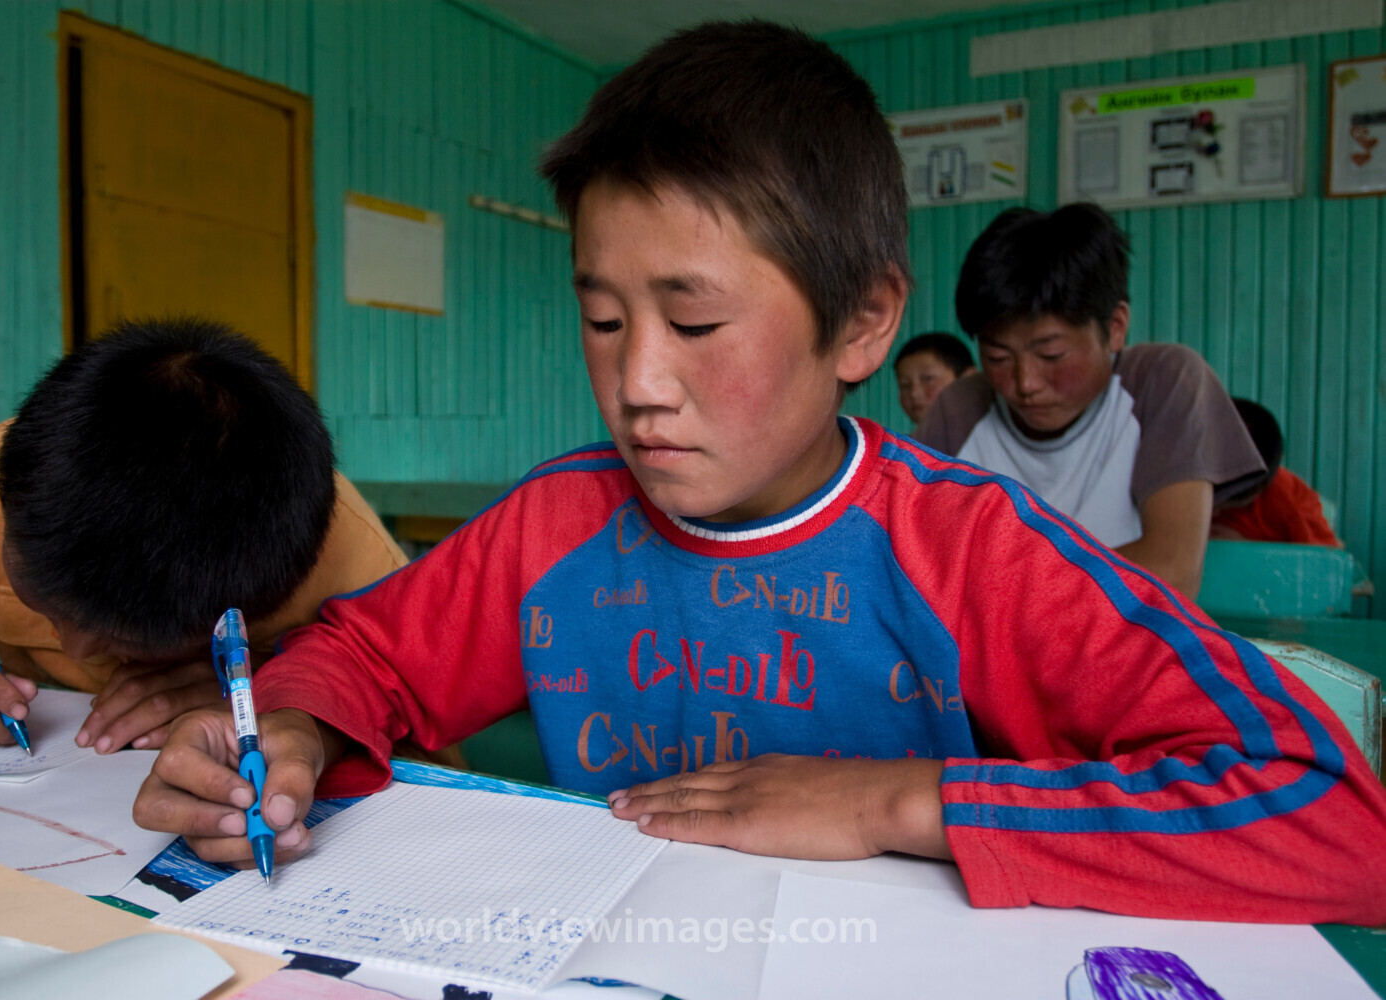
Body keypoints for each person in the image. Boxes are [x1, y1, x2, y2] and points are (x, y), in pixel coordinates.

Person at [134, 22, 1386, 925]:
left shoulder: (980, 554)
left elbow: (1327, 813)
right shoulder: (556, 525)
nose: (637, 383)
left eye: (694, 321)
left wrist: (899, 802)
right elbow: (365, 655)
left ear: (861, 325)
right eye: (606, 318)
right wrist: (290, 728)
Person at [0, 317, 409, 758]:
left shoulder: (367, 581)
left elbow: (421, 752)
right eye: (41, 603)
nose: (75, 648)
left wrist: (279, 700)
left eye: (127, 640)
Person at [916, 204, 1266, 599]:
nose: (1025, 383)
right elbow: (918, 562)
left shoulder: (1163, 382)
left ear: (1115, 328)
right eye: (997, 358)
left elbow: (1172, 573)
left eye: (1051, 355)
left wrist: (1003, 592)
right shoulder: (961, 408)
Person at [1212, 398, 1342, 547]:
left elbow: (1322, 559)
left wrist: (1248, 549)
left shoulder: (1288, 501)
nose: (1213, 513)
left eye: (1222, 505)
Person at [893, 331, 974, 428]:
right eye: (904, 385)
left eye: (928, 379)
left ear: (968, 379)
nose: (914, 393)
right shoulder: (901, 443)